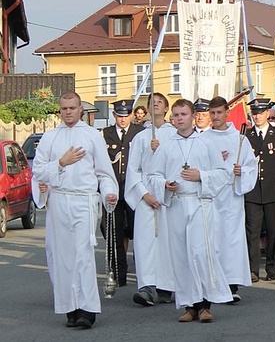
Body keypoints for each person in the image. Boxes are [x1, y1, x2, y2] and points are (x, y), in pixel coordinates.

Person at [33, 91, 118, 329]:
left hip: (84, 201)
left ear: (81, 109)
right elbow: (38, 171)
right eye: (64, 108)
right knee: (61, 257)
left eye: (72, 108)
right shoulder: (50, 138)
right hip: (59, 201)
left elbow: (103, 172)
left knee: (82, 255)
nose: (68, 112)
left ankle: (87, 309)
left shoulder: (92, 136)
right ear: (59, 110)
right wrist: (61, 163)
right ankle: (69, 307)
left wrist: (110, 193)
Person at [148, 99, 232, 322]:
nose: (179, 118)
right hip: (176, 203)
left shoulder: (206, 143)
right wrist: (165, 184)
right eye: (175, 115)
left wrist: (201, 176)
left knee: (200, 253)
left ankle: (205, 305)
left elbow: (223, 174)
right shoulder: (166, 146)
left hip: (199, 204)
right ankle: (189, 305)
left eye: (183, 114)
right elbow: (153, 175)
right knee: (181, 255)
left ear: (193, 115)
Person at [203, 96, 258, 303]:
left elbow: (252, 166)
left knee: (232, 239)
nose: (215, 117)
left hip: (232, 197)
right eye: (212, 113)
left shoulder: (240, 139)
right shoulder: (203, 138)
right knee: (213, 238)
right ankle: (213, 282)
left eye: (219, 112)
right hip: (211, 195)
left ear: (227, 112)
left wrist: (241, 170)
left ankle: (232, 283)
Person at [125, 92, 177, 306]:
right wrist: (144, 194)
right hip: (146, 195)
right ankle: (146, 286)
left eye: (159, 103)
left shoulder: (174, 134)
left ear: (166, 108)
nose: (155, 105)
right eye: (151, 103)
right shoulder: (140, 137)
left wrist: (161, 150)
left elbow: (177, 163)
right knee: (146, 242)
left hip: (167, 196)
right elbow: (133, 169)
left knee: (167, 242)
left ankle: (166, 285)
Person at [244, 98, 275, 282]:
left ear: (267, 114)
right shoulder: (247, 136)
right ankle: (252, 269)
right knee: (252, 232)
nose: (257, 116)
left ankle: (272, 268)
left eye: (260, 112)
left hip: (274, 189)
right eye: (254, 113)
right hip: (253, 190)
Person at [100, 99, 144, 287]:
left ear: (132, 115)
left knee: (141, 233)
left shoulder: (140, 133)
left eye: (126, 115)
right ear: (114, 115)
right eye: (119, 115)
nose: (123, 119)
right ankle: (118, 274)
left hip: (134, 189)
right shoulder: (105, 134)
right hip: (114, 191)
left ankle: (145, 275)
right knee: (114, 233)